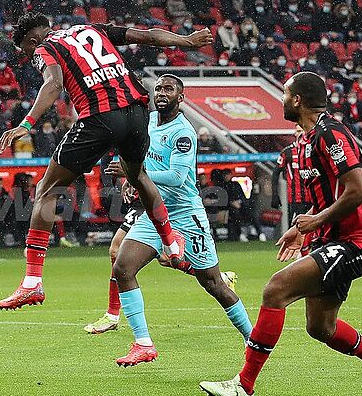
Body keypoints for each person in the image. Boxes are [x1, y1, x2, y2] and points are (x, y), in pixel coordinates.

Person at [200, 72, 362, 396]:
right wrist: (303, 228)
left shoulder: (331, 134)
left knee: (276, 289)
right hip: (328, 241)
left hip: (355, 242)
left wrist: (315, 221)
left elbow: (357, 191)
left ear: (298, 100)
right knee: (320, 327)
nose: (281, 100)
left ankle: (243, 386)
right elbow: (330, 196)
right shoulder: (308, 139)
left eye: (285, 94)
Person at [0, 12, 213, 310]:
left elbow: (53, 84)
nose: (30, 57)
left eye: (27, 52)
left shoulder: (45, 47)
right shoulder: (91, 29)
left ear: (33, 41)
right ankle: (172, 244)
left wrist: (27, 124)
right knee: (139, 177)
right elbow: (146, 35)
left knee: (46, 189)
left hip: (99, 116)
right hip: (137, 112)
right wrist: (186, 41)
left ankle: (32, 282)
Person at [85, 75, 250, 367]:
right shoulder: (148, 121)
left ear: (180, 98)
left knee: (213, 283)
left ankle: (253, 338)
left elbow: (176, 177)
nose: (161, 93)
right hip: (154, 212)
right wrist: (134, 180)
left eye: (169, 89)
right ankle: (143, 344)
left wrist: (134, 174)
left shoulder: (183, 132)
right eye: (159, 88)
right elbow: (139, 157)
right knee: (123, 267)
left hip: (186, 215)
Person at [271, 125, 313, 222]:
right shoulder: (288, 152)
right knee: (296, 226)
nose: (301, 133)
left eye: (302, 130)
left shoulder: (313, 149)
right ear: (295, 133)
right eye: (298, 131)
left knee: (315, 226)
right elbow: (276, 173)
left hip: (314, 198)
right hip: (296, 199)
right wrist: (275, 195)